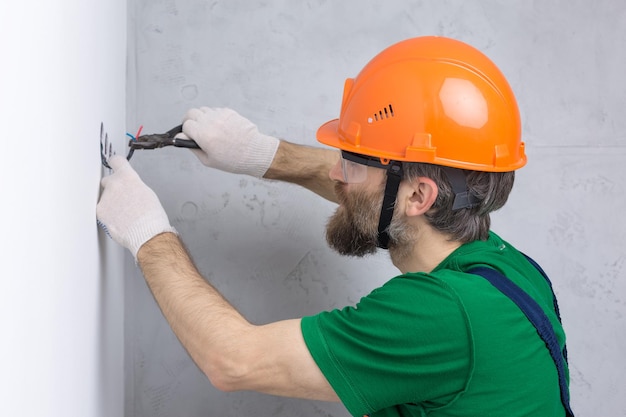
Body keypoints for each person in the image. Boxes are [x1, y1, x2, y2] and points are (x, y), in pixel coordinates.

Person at [97, 36, 573, 417]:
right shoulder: (506, 268)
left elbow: (233, 360)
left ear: (418, 196)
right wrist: (263, 155)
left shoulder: (440, 315)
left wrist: (149, 234)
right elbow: (378, 197)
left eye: (352, 163)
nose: (336, 175)